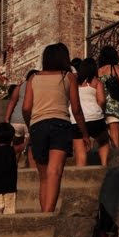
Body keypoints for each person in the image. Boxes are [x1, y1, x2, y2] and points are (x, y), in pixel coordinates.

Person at [22, 43, 90, 212]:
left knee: (44, 177)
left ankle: (44, 212)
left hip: (37, 126)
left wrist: (30, 124)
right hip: (60, 124)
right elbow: (76, 109)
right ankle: (48, 213)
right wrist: (84, 133)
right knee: (55, 172)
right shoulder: (68, 76)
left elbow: (26, 108)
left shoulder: (33, 78)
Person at [72, 57, 110, 166]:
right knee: (103, 142)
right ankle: (104, 165)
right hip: (94, 117)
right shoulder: (96, 82)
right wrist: (99, 110)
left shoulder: (74, 83)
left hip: (76, 119)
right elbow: (102, 100)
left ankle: (81, 171)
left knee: (80, 150)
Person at [4, 71, 37, 167]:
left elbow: (12, 102)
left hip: (15, 120)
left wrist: (7, 118)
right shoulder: (38, 85)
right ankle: (32, 169)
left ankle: (11, 166)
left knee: (15, 146)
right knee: (31, 147)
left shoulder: (19, 87)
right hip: (29, 120)